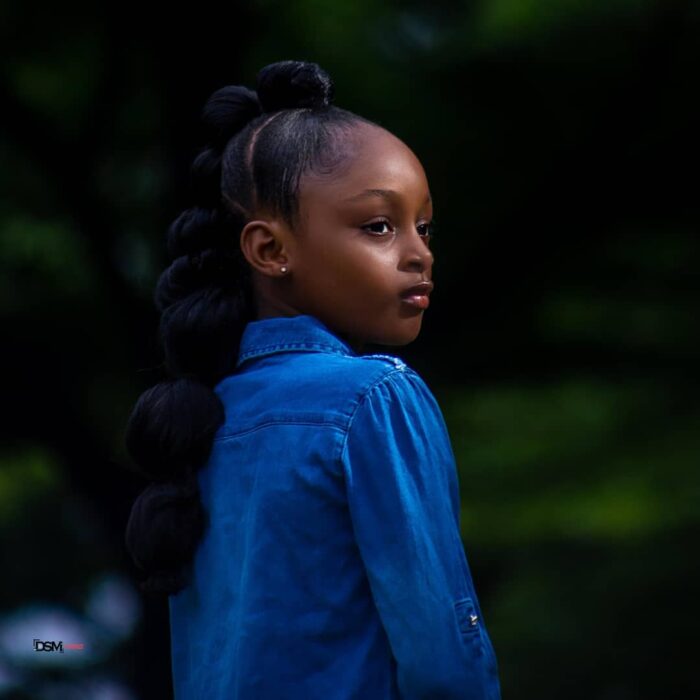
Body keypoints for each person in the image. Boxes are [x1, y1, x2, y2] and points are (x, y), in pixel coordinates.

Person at [123, 59, 501, 700]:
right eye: (378, 226)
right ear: (271, 250)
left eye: (423, 226)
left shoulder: (200, 418)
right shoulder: (374, 397)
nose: (420, 253)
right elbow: (441, 657)